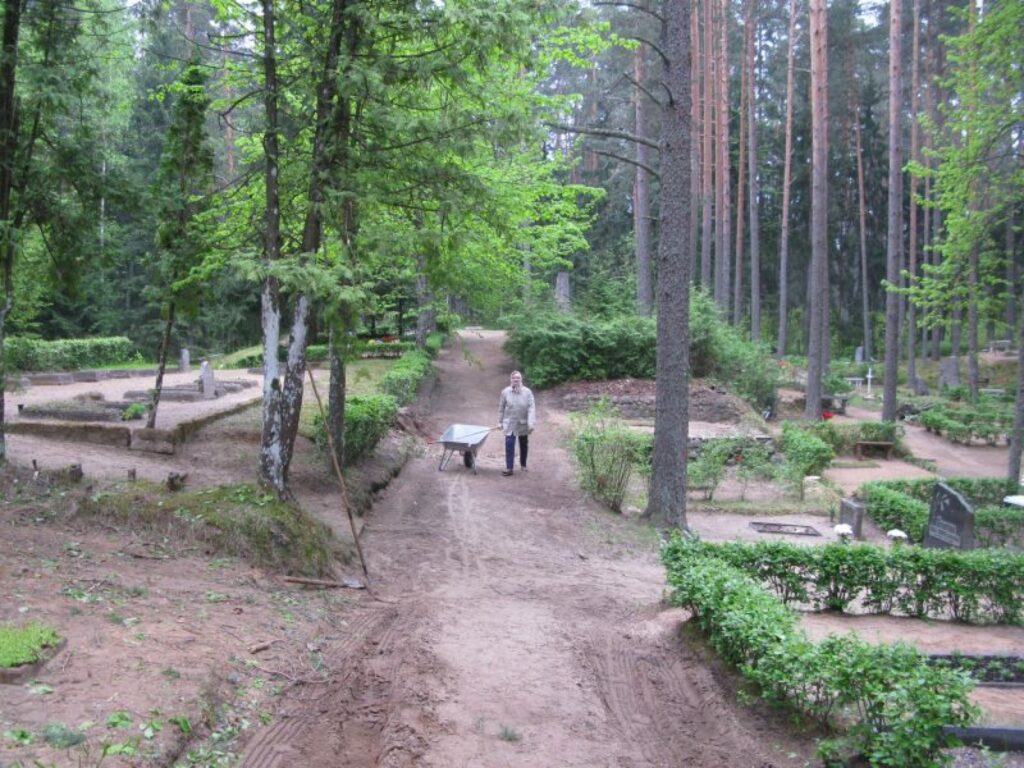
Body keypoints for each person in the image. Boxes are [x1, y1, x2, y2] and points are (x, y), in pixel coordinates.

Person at [497, 370, 535, 476]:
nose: (516, 380)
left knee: (523, 444)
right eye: (514, 378)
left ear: (521, 379)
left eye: (518, 378)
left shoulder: (527, 392)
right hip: (509, 423)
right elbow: (501, 408)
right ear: (511, 379)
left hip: (522, 423)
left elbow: (531, 408)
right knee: (509, 444)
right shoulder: (505, 392)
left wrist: (531, 423)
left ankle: (523, 464)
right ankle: (509, 468)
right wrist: (499, 422)